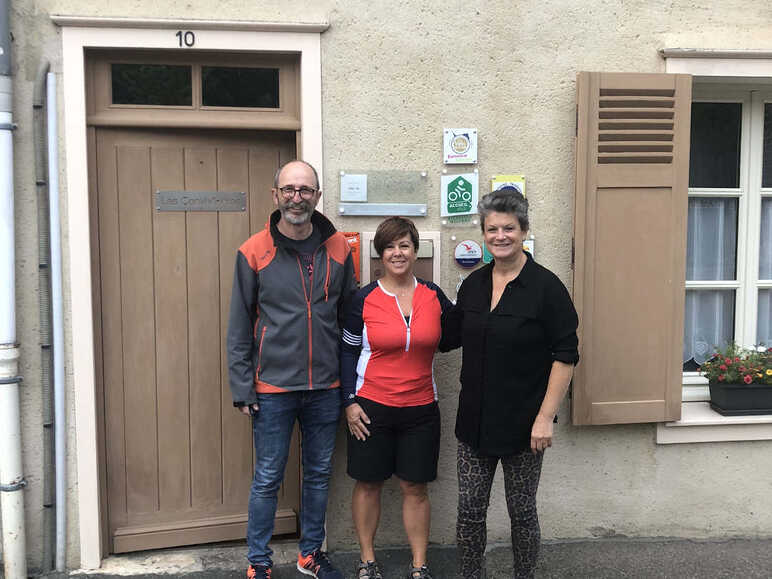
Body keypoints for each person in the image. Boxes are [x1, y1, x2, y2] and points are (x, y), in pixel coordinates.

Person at [440, 187, 579, 579]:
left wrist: (544, 418)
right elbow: (446, 336)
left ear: (523, 231)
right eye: (492, 229)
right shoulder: (474, 285)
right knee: (469, 512)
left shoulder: (546, 288)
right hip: (474, 423)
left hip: (524, 426)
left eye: (509, 228)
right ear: (483, 233)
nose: (500, 236)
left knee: (521, 512)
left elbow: (565, 355)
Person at [227, 160, 356, 579]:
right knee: (267, 477)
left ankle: (309, 555)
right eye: (289, 189)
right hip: (272, 387)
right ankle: (259, 562)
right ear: (276, 195)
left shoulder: (339, 249)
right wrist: (243, 387)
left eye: (305, 190)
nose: (297, 197)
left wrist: (351, 385)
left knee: (318, 475)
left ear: (317, 196)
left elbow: (349, 316)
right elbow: (239, 324)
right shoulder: (253, 250)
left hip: (326, 385)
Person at [341, 217, 453, 579]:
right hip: (370, 408)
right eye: (390, 246)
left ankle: (419, 565)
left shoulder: (434, 295)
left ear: (416, 251)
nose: (398, 253)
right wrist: (348, 401)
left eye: (404, 245)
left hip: (421, 408)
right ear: (380, 254)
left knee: (414, 487)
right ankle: (367, 560)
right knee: (369, 483)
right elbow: (346, 353)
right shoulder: (364, 298)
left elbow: (459, 334)